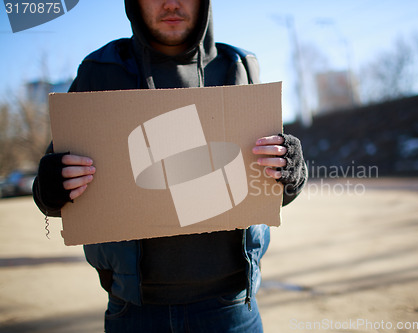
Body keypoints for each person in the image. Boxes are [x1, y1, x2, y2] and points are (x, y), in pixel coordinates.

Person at [32, 0, 307, 332]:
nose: (172, 4)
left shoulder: (238, 65)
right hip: (134, 310)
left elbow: (274, 187)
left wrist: (291, 171)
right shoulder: (101, 69)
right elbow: (49, 194)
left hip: (231, 306)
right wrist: (51, 185)